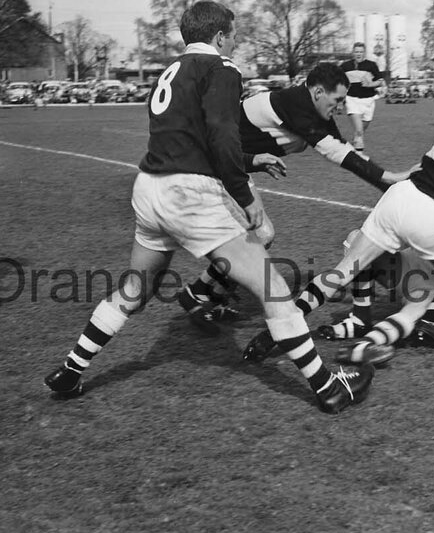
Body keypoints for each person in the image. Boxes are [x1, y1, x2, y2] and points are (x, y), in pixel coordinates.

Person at [43, 1, 377, 415]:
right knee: (274, 290)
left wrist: (251, 160)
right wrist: (245, 195)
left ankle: (70, 369)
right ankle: (328, 387)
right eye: (233, 35)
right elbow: (221, 135)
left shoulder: (170, 70)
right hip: (190, 193)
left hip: (149, 188)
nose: (235, 43)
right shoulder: (221, 68)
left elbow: (190, 137)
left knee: (135, 289)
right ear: (220, 36)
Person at [242, 88, 434, 365]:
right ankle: (399, 332)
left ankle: (279, 330)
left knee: (342, 271)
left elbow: (433, 160)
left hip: (401, 195)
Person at [176, 62, 412, 333]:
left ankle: (207, 294)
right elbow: (336, 153)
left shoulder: (309, 106)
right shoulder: (297, 105)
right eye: (337, 100)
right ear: (318, 92)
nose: (340, 107)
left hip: (233, 167)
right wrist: (389, 178)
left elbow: (343, 147)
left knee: (259, 235)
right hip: (213, 166)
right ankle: (198, 292)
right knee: (261, 234)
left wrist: (390, 185)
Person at [339, 42, 384, 152]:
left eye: (361, 52)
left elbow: (380, 81)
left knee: (361, 130)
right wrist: (339, 100)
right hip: (352, 100)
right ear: (353, 53)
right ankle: (359, 156)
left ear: (364, 53)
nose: (358, 54)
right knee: (359, 130)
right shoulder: (345, 66)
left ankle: (356, 142)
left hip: (368, 101)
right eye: (356, 52)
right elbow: (338, 83)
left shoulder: (371, 65)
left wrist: (370, 84)